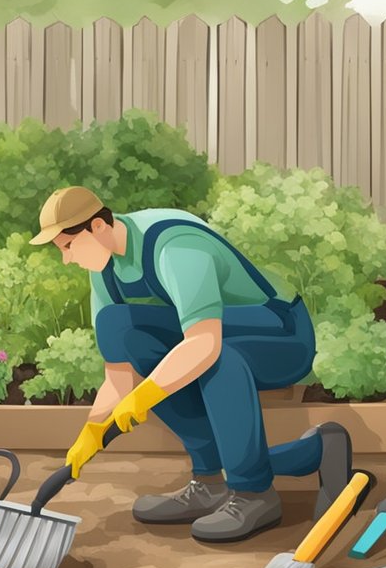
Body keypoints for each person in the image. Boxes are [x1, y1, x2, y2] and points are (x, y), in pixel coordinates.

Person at [29, 186, 356, 543]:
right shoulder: (105, 270)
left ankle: (253, 492)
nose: (66, 259)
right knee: (120, 326)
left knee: (216, 358)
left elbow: (204, 343)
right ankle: (215, 481)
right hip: (214, 336)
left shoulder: (173, 243)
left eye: (67, 246)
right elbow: (118, 376)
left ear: (97, 227)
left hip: (280, 332)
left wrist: (144, 397)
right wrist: (91, 431)